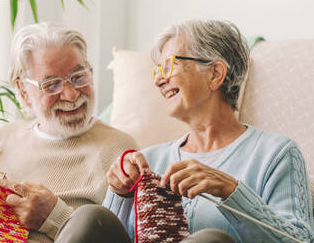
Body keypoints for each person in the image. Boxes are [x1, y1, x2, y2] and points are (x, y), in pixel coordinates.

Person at [56, 20, 314, 243]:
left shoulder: (277, 154)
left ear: (215, 73)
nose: (158, 80)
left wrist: (231, 191)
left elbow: (300, 239)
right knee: (90, 217)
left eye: (168, 66)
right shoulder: (149, 160)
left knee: (210, 239)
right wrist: (119, 193)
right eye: (157, 71)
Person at [0, 22, 137, 242]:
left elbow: (128, 236)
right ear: (23, 91)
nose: (71, 95)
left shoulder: (121, 150)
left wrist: (54, 217)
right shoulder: (5, 137)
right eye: (52, 84)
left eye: (78, 77)